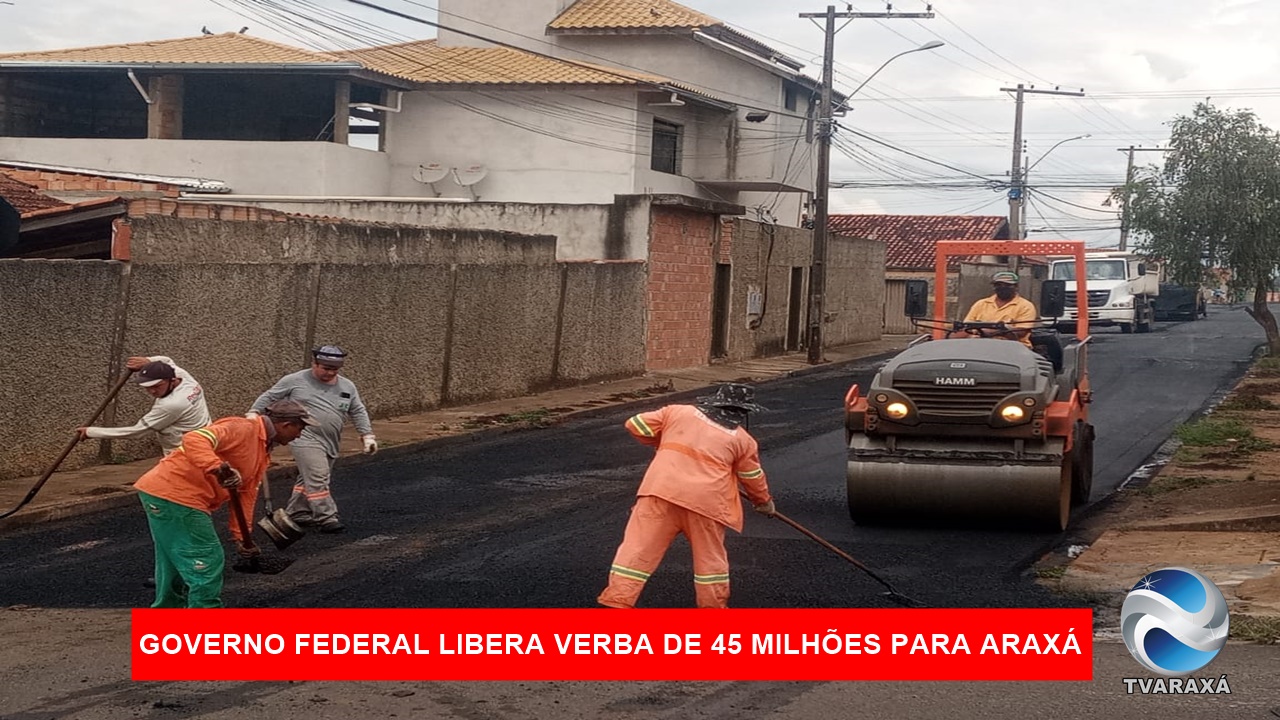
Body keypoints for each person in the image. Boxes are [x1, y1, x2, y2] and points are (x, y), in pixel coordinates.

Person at [597, 383, 776, 610]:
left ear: (715, 402)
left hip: (660, 493)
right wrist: (764, 503)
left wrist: (662, 441)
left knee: (637, 551)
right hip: (707, 505)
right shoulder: (743, 441)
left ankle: (617, 600)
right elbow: (752, 476)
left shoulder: (677, 412)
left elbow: (635, 424)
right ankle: (712, 608)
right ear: (744, 412)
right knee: (710, 562)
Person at [133, 400, 316, 608]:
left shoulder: (261, 448)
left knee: (172, 563)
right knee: (207, 557)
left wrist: (242, 537)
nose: (299, 435)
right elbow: (195, 438)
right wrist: (216, 466)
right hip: (176, 494)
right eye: (299, 429)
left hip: (164, 493)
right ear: (286, 425)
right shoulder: (242, 428)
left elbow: (246, 493)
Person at [246, 345, 376, 534]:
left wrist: (367, 435)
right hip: (304, 436)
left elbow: (357, 409)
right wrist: (253, 413)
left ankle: (298, 512)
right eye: (325, 368)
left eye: (334, 369)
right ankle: (327, 516)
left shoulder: (347, 386)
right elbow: (269, 396)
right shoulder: (294, 380)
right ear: (314, 364)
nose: (330, 373)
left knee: (309, 477)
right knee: (318, 474)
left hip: (330, 439)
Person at [78, 356, 211, 456]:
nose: (152, 391)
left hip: (183, 452)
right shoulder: (184, 377)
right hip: (206, 439)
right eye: (147, 387)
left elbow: (137, 431)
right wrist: (147, 361)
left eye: (157, 386)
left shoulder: (171, 405)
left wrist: (91, 432)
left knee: (175, 489)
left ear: (172, 380)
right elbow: (167, 360)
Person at [949, 270, 1038, 347]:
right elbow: (967, 326)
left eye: (1007, 285)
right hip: (979, 345)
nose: (1003, 287)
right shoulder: (981, 304)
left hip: (1013, 348)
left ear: (1016, 287)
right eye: (998, 285)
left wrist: (992, 331)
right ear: (994, 287)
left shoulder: (1025, 306)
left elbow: (1022, 332)